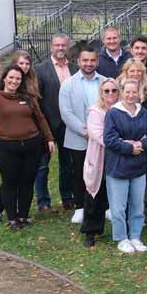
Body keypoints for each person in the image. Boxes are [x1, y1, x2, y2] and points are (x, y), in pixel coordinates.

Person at [0, 56, 54, 230]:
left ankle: (23, 215)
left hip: (32, 145)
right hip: (7, 147)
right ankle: (13, 218)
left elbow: (40, 118)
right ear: (5, 78)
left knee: (27, 181)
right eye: (11, 77)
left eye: (18, 78)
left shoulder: (28, 97)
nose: (14, 81)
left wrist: (49, 138)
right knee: (10, 182)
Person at [103, 79, 147, 254]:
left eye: (134, 92)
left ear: (139, 93)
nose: (130, 95)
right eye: (127, 92)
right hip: (118, 167)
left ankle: (135, 236)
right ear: (122, 92)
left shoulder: (144, 113)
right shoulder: (113, 113)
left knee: (137, 205)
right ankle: (121, 238)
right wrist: (129, 148)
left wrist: (141, 145)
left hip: (138, 167)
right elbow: (109, 139)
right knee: (118, 207)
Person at [58, 48, 104, 226]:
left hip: (101, 139)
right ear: (78, 61)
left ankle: (103, 205)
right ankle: (80, 207)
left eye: (92, 60)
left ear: (97, 62)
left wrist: (98, 133)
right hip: (78, 137)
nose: (89, 64)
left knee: (102, 172)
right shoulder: (68, 84)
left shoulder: (106, 82)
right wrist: (85, 130)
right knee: (79, 173)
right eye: (85, 60)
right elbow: (66, 113)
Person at [35, 34, 76, 211]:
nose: (60, 48)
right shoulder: (40, 69)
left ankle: (68, 197)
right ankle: (43, 201)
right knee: (42, 165)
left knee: (68, 163)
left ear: (68, 47)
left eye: (63, 45)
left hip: (69, 125)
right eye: (57, 45)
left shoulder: (75, 68)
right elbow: (36, 99)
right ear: (51, 47)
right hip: (48, 124)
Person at [80, 79, 118, 247]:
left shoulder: (123, 109)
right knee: (95, 195)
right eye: (107, 91)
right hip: (100, 159)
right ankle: (90, 231)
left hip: (118, 160)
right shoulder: (95, 112)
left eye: (114, 90)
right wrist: (122, 142)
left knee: (117, 196)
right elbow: (100, 136)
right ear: (101, 93)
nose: (110, 94)